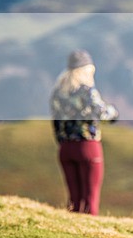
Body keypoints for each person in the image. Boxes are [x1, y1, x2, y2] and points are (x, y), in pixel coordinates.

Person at [50, 49, 118, 215]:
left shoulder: (58, 93)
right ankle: (90, 237)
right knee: (90, 199)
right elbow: (102, 113)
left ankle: (72, 235)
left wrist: (63, 141)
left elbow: (55, 122)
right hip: (87, 146)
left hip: (65, 148)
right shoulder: (87, 91)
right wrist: (114, 113)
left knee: (74, 201)